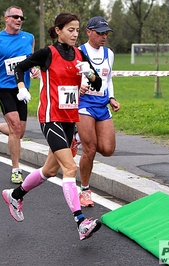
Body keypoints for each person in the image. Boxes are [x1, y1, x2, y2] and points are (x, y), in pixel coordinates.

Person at [2, 12, 103, 241]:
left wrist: (89, 74)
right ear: (58, 30)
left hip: (69, 119)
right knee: (70, 168)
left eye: (77, 30)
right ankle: (80, 222)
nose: (75, 34)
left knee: (49, 171)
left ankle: (15, 195)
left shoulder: (79, 54)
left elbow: (97, 81)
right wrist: (21, 87)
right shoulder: (48, 53)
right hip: (51, 118)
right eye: (70, 30)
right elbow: (20, 67)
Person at [0, 6, 40, 184]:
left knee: (19, 132)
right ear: (6, 18)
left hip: (22, 89)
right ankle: (15, 169)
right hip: (3, 86)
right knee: (14, 126)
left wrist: (34, 69)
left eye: (21, 17)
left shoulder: (29, 38)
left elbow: (31, 59)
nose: (19, 20)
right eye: (15, 17)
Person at [70, 16, 120, 207]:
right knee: (90, 150)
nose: (103, 36)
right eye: (100, 33)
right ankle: (85, 190)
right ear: (89, 32)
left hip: (102, 105)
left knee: (107, 149)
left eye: (106, 33)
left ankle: (79, 138)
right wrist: (79, 87)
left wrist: (112, 98)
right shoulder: (78, 52)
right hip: (83, 105)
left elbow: (108, 80)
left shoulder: (109, 54)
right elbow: (70, 78)